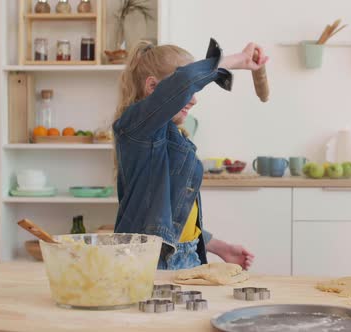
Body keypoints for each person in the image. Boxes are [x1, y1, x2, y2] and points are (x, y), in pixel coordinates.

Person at [113, 38, 267, 270]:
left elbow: (172, 217)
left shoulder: (176, 139)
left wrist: (219, 247)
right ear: (153, 87)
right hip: (150, 262)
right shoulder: (136, 130)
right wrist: (235, 60)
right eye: (189, 92)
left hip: (187, 257)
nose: (194, 99)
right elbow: (184, 81)